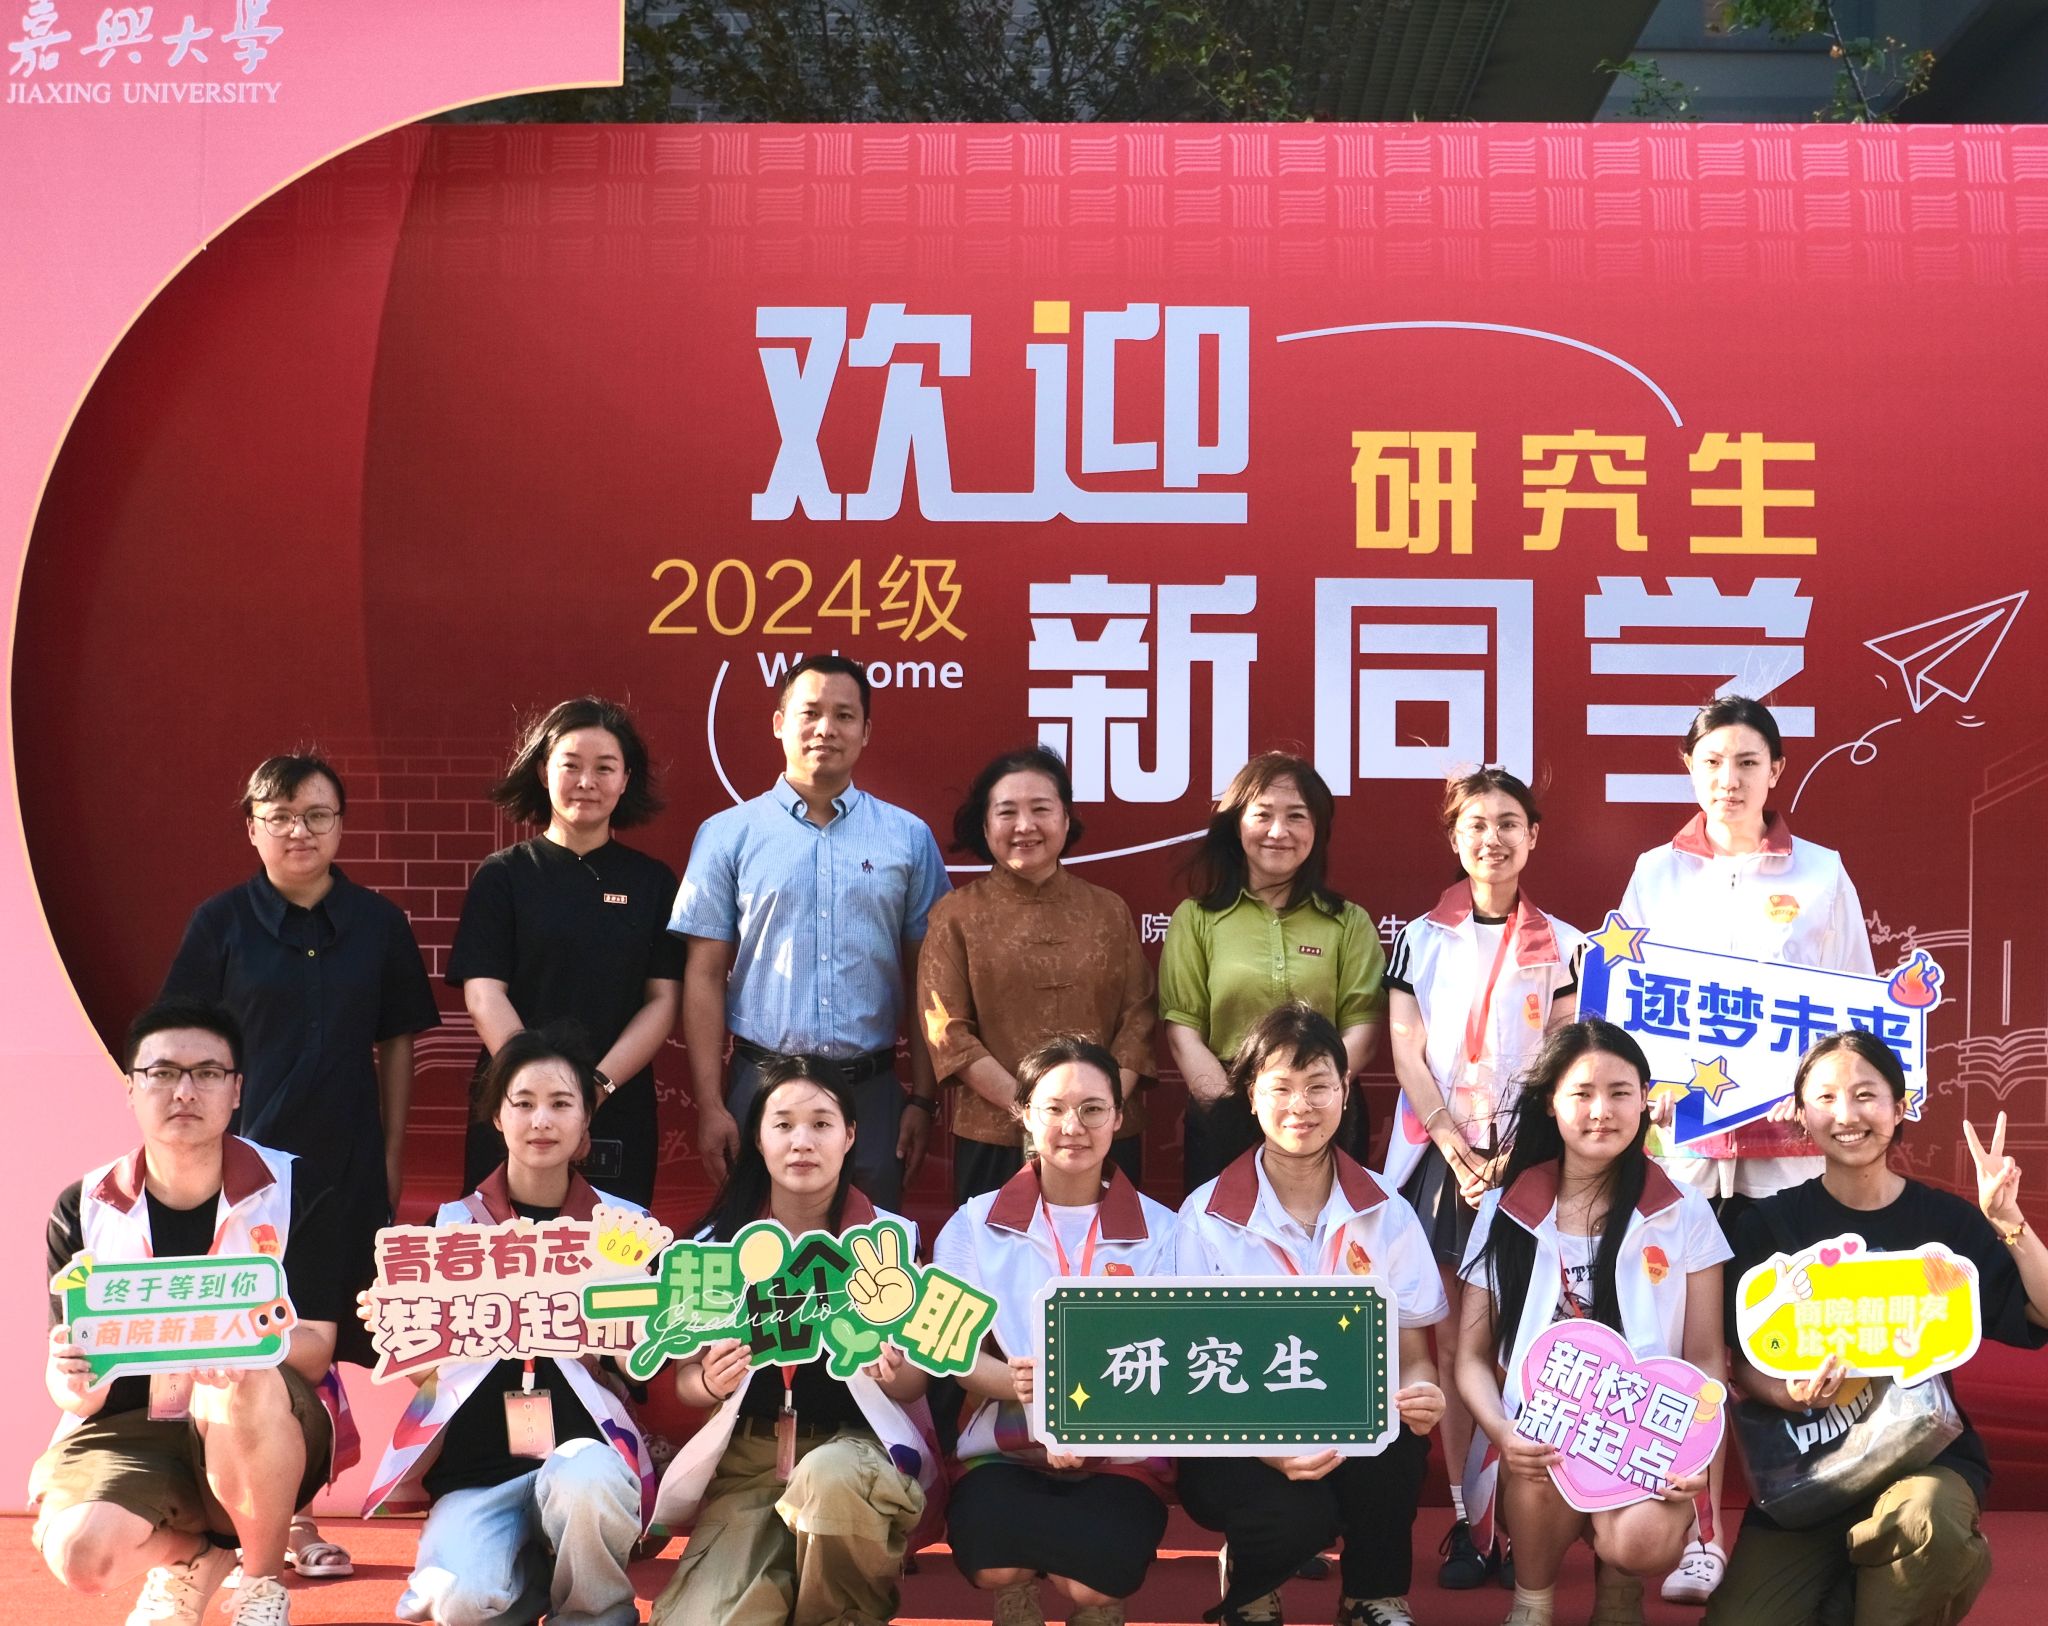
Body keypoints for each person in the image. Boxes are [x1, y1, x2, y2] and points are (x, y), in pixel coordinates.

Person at [1616, 694, 1874, 1602]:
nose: (1728, 780)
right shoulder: (1655, 874)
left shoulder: (1821, 872)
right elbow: (1625, 1005)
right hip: (1685, 1156)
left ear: (1776, 772)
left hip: (1785, 1154)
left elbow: (1853, 1006)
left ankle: (1818, 1526)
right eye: (1713, 762)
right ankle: (1701, 1537)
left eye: (1747, 762)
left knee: (1794, 1340)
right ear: (1690, 770)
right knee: (1690, 1350)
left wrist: (1834, 1116)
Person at [1706, 1030, 2048, 1626]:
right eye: (1826, 1097)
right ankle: (1851, 1595)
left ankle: (1925, 1571)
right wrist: (1789, 1392)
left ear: (1899, 1106)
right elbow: (1743, 1362)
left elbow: (2040, 1313)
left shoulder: (1945, 1223)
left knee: (1932, 1524)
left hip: (1924, 1460)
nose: (1847, 1115)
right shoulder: (1769, 1224)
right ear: (1801, 1114)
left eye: (1866, 1095)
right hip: (1809, 1466)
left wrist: (2009, 1222)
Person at [33, 997, 350, 1626]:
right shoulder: (84, 1206)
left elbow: (316, 1348)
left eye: (207, 1073)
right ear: (131, 1088)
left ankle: (260, 1585)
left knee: (244, 1375)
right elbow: (72, 1377)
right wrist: (71, 1376)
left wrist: (235, 1341)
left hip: (264, 1420)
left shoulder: (295, 1189)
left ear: (236, 1090)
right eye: (162, 1073)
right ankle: (194, 1557)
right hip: (134, 1422)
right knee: (81, 1557)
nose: (184, 1091)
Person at [162, 753, 439, 1386]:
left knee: (367, 1325)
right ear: (252, 828)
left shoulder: (379, 923)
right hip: (245, 1165)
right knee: (251, 1335)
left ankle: (400, 1436)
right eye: (281, 817)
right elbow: (179, 1044)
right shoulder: (220, 923)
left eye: (317, 816)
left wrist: (393, 1154)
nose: (299, 831)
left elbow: (397, 1043)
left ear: (340, 825)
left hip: (350, 1163)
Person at [364, 1026, 652, 1626]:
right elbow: (429, 1377)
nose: (540, 1121)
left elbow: (646, 1367)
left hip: (583, 1458)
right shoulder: (450, 1228)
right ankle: (534, 1578)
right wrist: (399, 1331)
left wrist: (627, 1328)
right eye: (523, 1103)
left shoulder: (625, 1229)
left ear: (586, 1117)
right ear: (497, 1117)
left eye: (561, 1104)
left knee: (586, 1475)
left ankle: (595, 1612)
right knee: (462, 1605)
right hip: (478, 1472)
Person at [1174, 1002, 1449, 1626]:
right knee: (1293, 1515)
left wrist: (1421, 1394)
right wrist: (1267, 1449)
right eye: (1281, 1087)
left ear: (1345, 1092)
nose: (1301, 1105)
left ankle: (1374, 1596)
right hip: (1236, 1437)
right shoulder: (1204, 1217)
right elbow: (1186, 1373)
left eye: (1319, 1085)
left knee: (1398, 1442)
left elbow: (1414, 1356)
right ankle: (1250, 1588)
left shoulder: (1388, 1211)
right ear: (1251, 1095)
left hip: (1354, 1429)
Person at [1454, 1020, 1730, 1626]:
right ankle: (1532, 1603)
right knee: (1538, 1445)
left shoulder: (1685, 1211)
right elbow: (1470, 1358)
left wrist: (1693, 1452)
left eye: (1620, 1092)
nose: (1601, 1111)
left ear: (1645, 1099)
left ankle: (1619, 1594)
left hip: (1644, 1439)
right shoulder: (1505, 1210)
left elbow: (1706, 1357)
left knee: (1644, 1540)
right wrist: (1503, 1430)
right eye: (1581, 1093)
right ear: (1551, 1103)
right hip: (1536, 1440)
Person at [1383, 768, 1583, 1589]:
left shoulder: (1564, 942)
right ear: (1454, 837)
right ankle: (1470, 1524)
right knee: (1452, 1343)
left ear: (1533, 837)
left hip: (1530, 1164)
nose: (1492, 838)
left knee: (1524, 1340)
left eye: (1508, 823)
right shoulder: (1419, 937)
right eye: (1476, 823)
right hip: (1442, 1165)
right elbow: (1406, 1049)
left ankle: (1524, 1520)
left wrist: (1509, 1153)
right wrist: (1455, 1146)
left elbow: (1566, 1056)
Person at [651, 1055, 934, 1626]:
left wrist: (891, 1369)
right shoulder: (712, 1248)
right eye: (783, 1124)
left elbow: (914, 1385)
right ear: (757, 1139)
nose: (802, 1142)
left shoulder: (892, 1243)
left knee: (829, 1479)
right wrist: (709, 1382)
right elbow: (684, 1382)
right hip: (752, 1462)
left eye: (821, 1124)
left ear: (850, 1136)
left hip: (856, 1455)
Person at [672, 654, 951, 1208]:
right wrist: (711, 1105)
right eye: (810, 713)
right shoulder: (728, 834)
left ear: (865, 732)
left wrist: (922, 1098)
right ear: (780, 723)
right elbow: (703, 975)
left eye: (845, 716)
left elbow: (929, 978)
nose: (826, 728)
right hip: (760, 1086)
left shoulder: (908, 837)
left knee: (873, 1254)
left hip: (871, 1093)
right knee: (757, 1248)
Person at [934, 1034, 1179, 1626]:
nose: (1074, 1126)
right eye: (1054, 1108)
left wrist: (1092, 1422)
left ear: (1118, 1117)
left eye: (1093, 1109)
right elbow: (949, 1349)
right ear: (1024, 1113)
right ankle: (1015, 1594)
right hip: (1006, 1447)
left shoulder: (1165, 1230)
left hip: (1121, 1453)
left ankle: (1099, 1603)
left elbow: (1177, 1355)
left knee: (1093, 1580)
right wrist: (1026, 1390)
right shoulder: (973, 1223)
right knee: (995, 1563)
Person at [448, 697, 685, 1207]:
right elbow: (483, 993)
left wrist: (591, 1091)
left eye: (605, 768)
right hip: (515, 1104)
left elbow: (663, 1001)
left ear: (625, 779)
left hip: (614, 1100)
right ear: (543, 771)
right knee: (500, 1247)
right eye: (571, 765)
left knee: (615, 1247)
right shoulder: (504, 875)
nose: (586, 782)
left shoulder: (651, 882)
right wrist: (540, 1091)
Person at [919, 747, 1156, 1202]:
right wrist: (1036, 1110)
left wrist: (1095, 1110)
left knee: (1109, 1245)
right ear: (985, 825)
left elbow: (1139, 1021)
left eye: (1041, 809)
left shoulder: (1108, 910)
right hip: (995, 1136)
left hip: (1104, 1137)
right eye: (1007, 812)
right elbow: (948, 1034)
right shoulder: (956, 915)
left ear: (1066, 819)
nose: (1024, 826)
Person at [1160, 753, 1387, 1195]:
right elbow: (1183, 1034)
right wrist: (1239, 1109)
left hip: (1324, 1113)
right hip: (1224, 1111)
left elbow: (1363, 1030)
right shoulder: (1197, 918)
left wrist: (1316, 1097)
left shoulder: (1348, 922)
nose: (1278, 831)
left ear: (1317, 829)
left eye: (1296, 816)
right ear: (1237, 824)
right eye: (1262, 815)